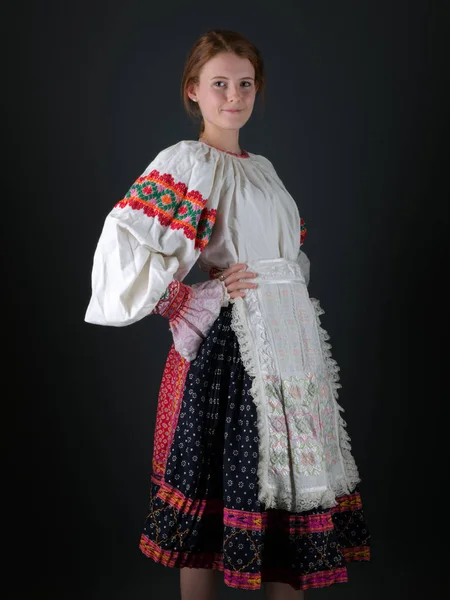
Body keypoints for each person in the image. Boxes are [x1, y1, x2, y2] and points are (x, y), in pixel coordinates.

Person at [85, 29, 371, 600]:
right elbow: (124, 244)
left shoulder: (262, 168)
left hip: (291, 350)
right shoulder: (187, 161)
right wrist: (184, 298)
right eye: (219, 84)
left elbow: (286, 254)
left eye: (244, 84)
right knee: (219, 488)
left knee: (288, 497)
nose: (233, 96)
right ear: (194, 91)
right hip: (235, 348)